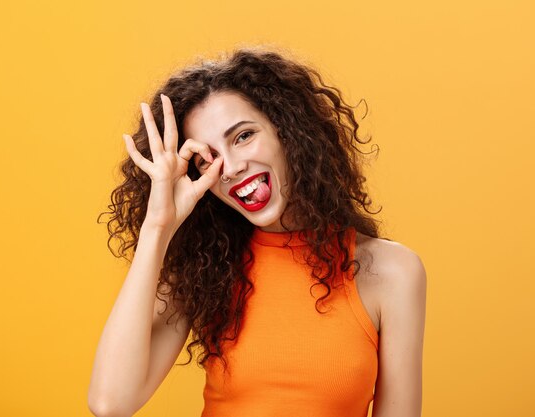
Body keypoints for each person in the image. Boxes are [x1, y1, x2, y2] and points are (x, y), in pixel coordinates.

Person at [88, 46, 427, 417]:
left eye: (244, 136)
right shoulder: (205, 270)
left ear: (289, 133)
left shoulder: (392, 272)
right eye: (207, 159)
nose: (230, 168)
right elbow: (110, 404)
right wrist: (158, 227)